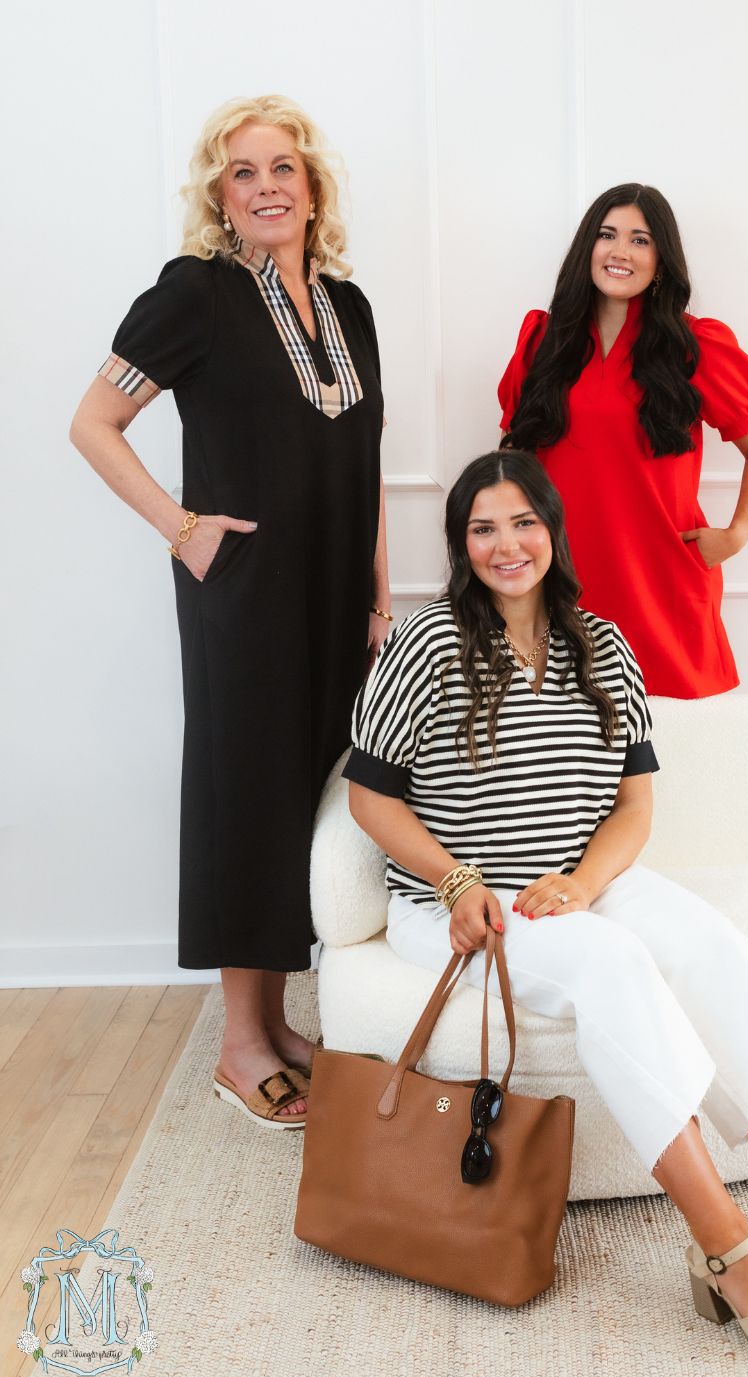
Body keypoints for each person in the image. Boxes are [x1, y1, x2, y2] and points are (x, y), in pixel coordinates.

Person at [345, 450, 748, 1365]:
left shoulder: (602, 645)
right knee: (611, 964)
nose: (506, 545)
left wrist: (583, 886)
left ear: (553, 529)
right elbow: (370, 797)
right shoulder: (427, 643)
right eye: (483, 528)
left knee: (715, 950)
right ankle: (728, 1249)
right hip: (455, 901)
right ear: (461, 545)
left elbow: (632, 806)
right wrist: (457, 882)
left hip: (579, 881)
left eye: (524, 522)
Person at [69, 95, 391, 1128]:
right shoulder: (195, 295)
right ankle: (240, 1043)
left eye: (283, 167)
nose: (266, 187)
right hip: (245, 590)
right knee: (247, 796)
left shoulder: (350, 307)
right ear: (219, 194)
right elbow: (95, 420)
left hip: (338, 593)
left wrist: (380, 592)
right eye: (243, 171)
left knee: (305, 796)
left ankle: (278, 1019)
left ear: (313, 187)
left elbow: (366, 462)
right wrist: (182, 527)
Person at [498, 182, 748, 699]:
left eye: (640, 240)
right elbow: (510, 460)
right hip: (559, 575)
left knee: (676, 729)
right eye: (607, 235)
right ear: (587, 246)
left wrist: (736, 534)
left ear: (661, 259)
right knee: (563, 724)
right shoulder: (543, 343)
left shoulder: (694, 347)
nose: (621, 251)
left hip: (662, 578)